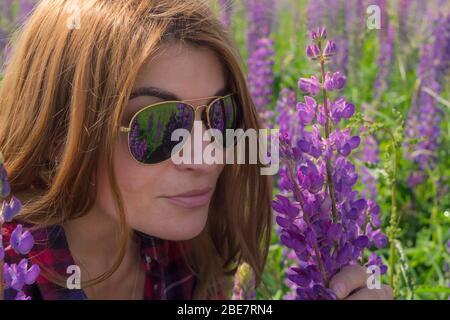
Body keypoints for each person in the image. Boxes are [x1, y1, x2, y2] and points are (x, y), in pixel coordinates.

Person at [0, 0, 392, 300]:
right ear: (58, 135)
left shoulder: (187, 251)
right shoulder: (10, 271)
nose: (208, 158)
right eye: (158, 124)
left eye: (221, 115)